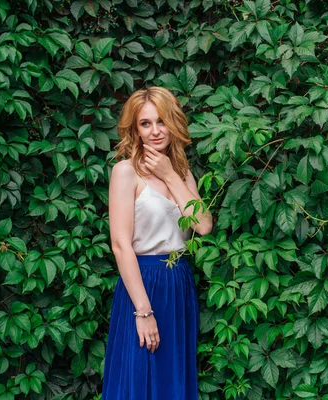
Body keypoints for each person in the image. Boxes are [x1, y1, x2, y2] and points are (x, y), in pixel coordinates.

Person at [102, 86, 213, 399]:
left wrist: (171, 175)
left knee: (171, 376)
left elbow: (203, 226)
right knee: (140, 372)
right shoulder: (126, 172)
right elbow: (121, 245)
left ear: (173, 123)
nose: (154, 131)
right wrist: (143, 311)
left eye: (161, 121)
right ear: (135, 130)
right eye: (145, 123)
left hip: (178, 281)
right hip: (143, 282)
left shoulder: (182, 172)